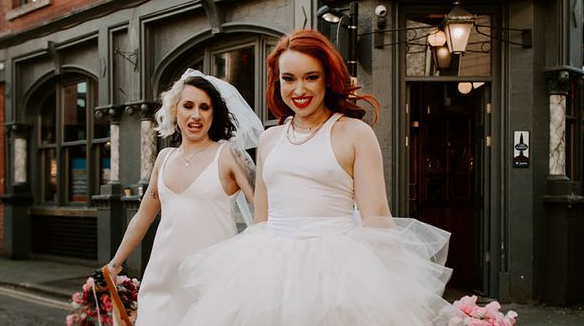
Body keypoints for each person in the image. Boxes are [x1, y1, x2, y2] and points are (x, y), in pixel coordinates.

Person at [178, 30, 457, 326]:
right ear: (277, 81)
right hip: (270, 267)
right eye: (289, 79)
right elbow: (262, 218)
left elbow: (376, 216)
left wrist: (396, 286)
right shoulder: (270, 139)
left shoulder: (355, 134)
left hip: (337, 269)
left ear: (328, 77)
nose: (299, 90)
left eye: (311, 77)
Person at [106, 69, 262, 325]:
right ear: (175, 109)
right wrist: (115, 263)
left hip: (211, 283)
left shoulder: (228, 155)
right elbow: (142, 218)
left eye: (204, 107)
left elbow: (264, 213)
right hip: (162, 280)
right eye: (188, 106)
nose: (196, 115)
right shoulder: (163, 158)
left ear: (214, 113)